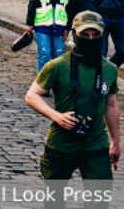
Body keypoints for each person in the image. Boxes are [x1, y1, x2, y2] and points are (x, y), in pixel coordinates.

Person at [25, 11, 119, 206]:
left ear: (103, 35)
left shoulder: (109, 69)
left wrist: (115, 142)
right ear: (75, 34)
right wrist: (56, 116)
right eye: (85, 35)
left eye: (96, 35)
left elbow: (111, 105)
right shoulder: (57, 66)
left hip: (95, 146)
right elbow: (32, 95)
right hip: (61, 146)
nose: (90, 39)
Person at [25, 0, 83, 75]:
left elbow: (71, 8)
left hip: (60, 26)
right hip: (42, 24)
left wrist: (68, 28)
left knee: (59, 56)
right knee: (45, 55)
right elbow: (33, 3)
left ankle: (56, 84)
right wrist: (29, 24)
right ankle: (43, 84)